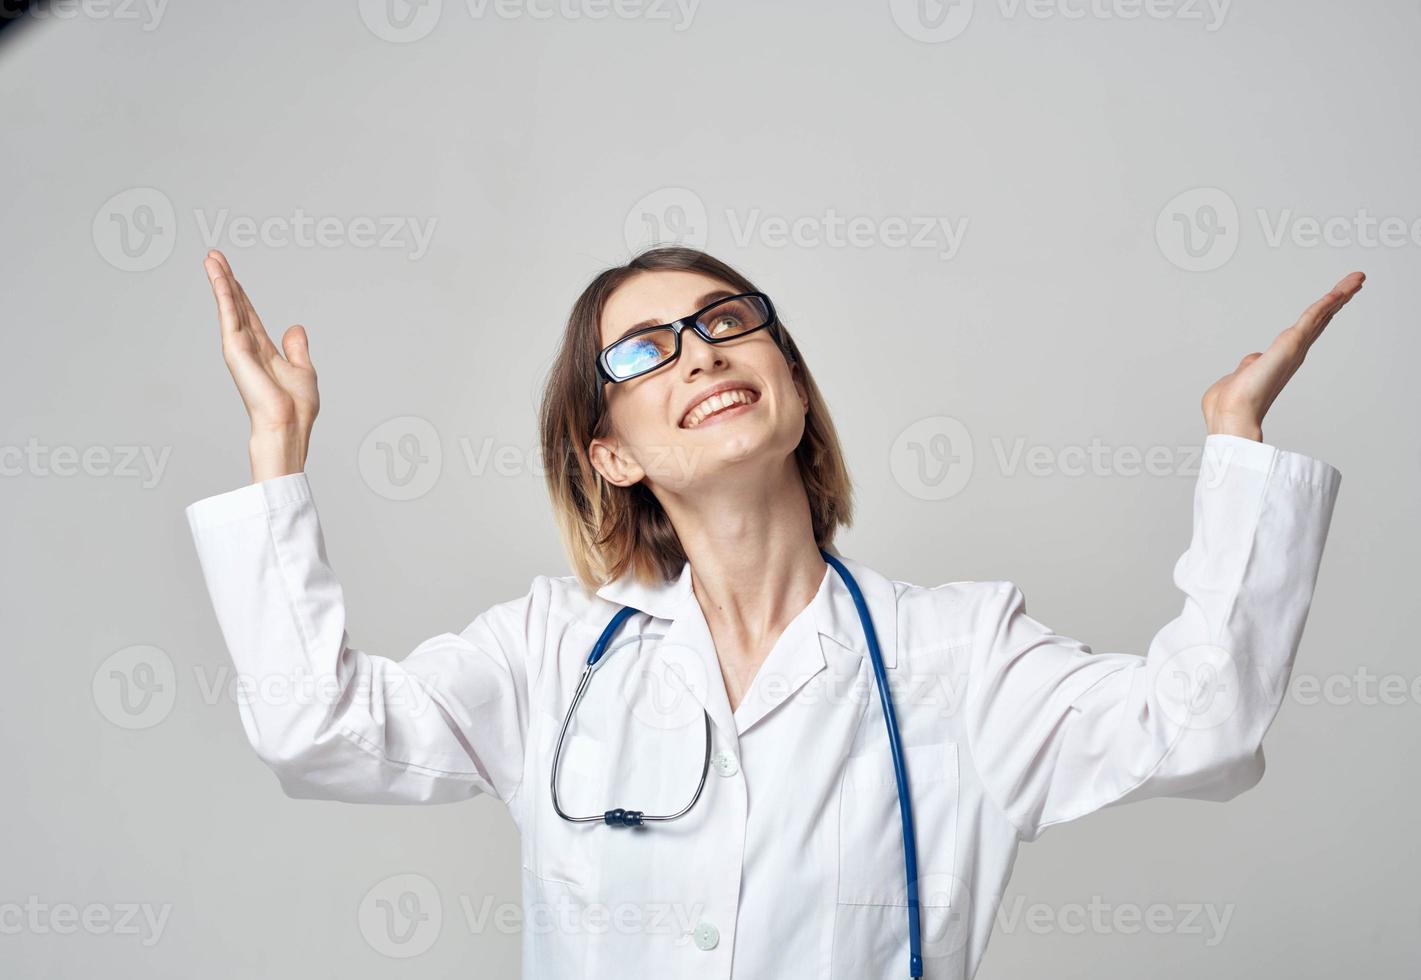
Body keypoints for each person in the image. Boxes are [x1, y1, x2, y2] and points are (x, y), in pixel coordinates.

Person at [185, 245, 1360, 979]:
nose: (699, 350)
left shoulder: (953, 653)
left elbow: (1202, 728)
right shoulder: (548, 655)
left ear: (788, 378)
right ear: (611, 453)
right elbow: (315, 729)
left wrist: (1236, 452)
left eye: (728, 319)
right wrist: (276, 459)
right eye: (645, 349)